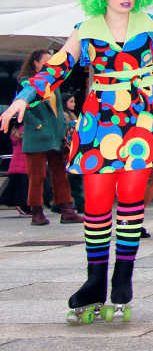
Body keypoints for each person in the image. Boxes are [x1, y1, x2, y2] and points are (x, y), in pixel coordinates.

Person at [0, 0, 153, 323]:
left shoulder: (150, 24)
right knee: (95, 204)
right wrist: (23, 98)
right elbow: (56, 68)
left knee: (130, 201)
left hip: (143, 118)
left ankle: (122, 279)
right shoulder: (87, 28)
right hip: (100, 120)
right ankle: (96, 280)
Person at [19, 49, 83, 226]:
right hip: (37, 138)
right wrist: (38, 125)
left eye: (51, 61)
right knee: (37, 176)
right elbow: (23, 109)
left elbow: (59, 110)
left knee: (61, 174)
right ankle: (36, 212)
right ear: (35, 63)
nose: (49, 65)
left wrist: (63, 129)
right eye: (46, 61)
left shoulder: (53, 83)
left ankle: (67, 210)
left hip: (55, 135)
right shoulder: (27, 83)